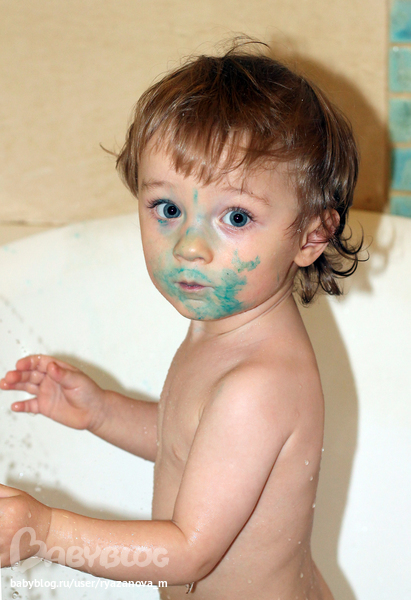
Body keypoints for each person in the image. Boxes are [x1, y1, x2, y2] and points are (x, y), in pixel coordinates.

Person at [0, 39, 363, 599]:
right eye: (168, 209)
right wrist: (102, 411)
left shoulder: (259, 384)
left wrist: (44, 532)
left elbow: (189, 554)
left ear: (311, 235)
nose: (189, 246)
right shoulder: (221, 334)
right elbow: (193, 446)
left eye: (235, 217)